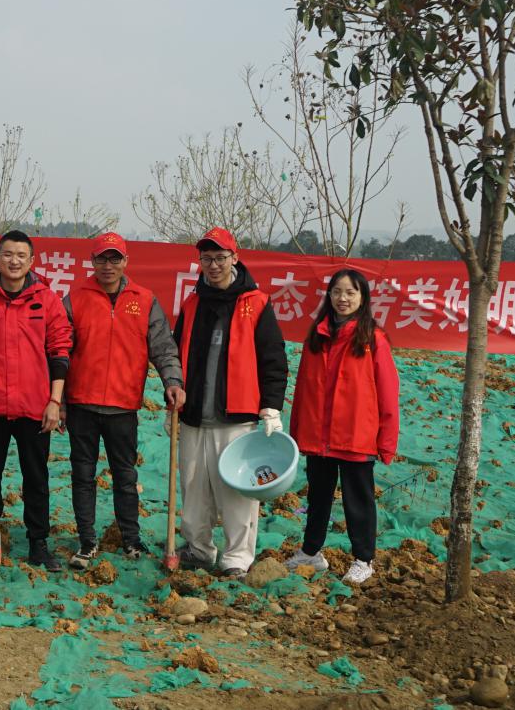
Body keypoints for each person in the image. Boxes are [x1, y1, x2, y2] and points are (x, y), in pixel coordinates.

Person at [171, 227, 288, 577]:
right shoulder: (193, 304)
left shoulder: (256, 304)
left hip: (236, 417)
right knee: (192, 487)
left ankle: (238, 556)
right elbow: (177, 356)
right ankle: (199, 548)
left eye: (220, 258)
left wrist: (271, 405)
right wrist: (173, 397)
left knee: (236, 490)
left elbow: (273, 358)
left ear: (235, 258)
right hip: (193, 415)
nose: (213, 265)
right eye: (206, 259)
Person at [62, 232, 184, 569]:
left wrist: (172, 381)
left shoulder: (144, 300)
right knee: (82, 475)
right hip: (82, 404)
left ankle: (131, 539)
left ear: (126, 262)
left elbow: (163, 347)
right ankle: (87, 541)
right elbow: (58, 350)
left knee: (125, 475)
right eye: (101, 258)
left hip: (123, 406)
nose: (108, 265)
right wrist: (56, 399)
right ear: (92, 261)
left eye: (115, 258)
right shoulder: (76, 298)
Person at [0, 230, 72, 571]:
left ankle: (38, 541)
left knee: (36, 476)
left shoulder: (45, 299)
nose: (14, 261)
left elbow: (60, 351)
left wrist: (54, 401)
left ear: (32, 261)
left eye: (21, 255)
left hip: (34, 406)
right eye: (7, 254)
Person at [286, 269, 399, 585]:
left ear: (362, 298)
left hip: (355, 437)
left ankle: (364, 559)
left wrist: (386, 441)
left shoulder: (372, 339)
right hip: (318, 437)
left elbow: (389, 393)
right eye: (337, 292)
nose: (343, 298)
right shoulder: (317, 336)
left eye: (350, 292)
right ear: (329, 296)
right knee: (318, 496)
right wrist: (298, 434)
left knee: (358, 501)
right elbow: (304, 390)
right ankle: (311, 552)